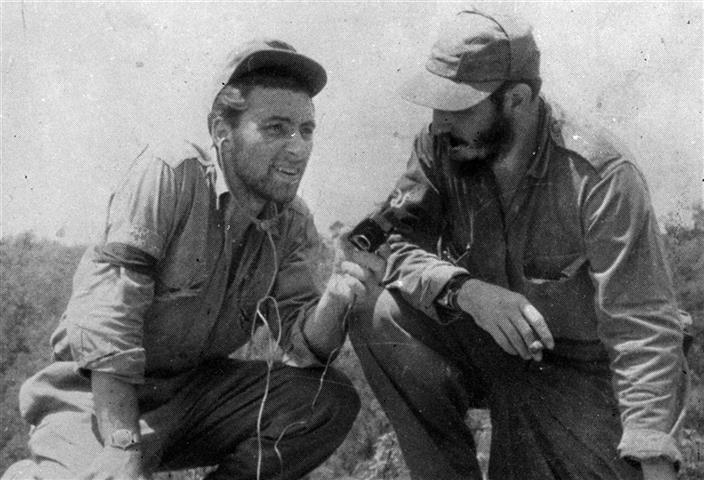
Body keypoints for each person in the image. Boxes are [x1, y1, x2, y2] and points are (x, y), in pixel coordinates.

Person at [3, 39, 383, 480]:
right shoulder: (172, 174)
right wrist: (122, 444)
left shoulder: (292, 219)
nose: (298, 148)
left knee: (325, 400)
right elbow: (107, 319)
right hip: (94, 395)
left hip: (194, 394)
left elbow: (304, 347)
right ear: (222, 129)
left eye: (307, 130)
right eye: (276, 128)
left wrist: (336, 298)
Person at [349, 9, 688, 480]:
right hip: (484, 341)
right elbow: (399, 241)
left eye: (458, 106)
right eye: (436, 105)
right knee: (376, 312)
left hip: (581, 375)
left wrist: (653, 459)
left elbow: (642, 325)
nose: (439, 122)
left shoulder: (600, 175)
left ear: (517, 99)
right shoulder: (441, 146)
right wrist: (466, 290)